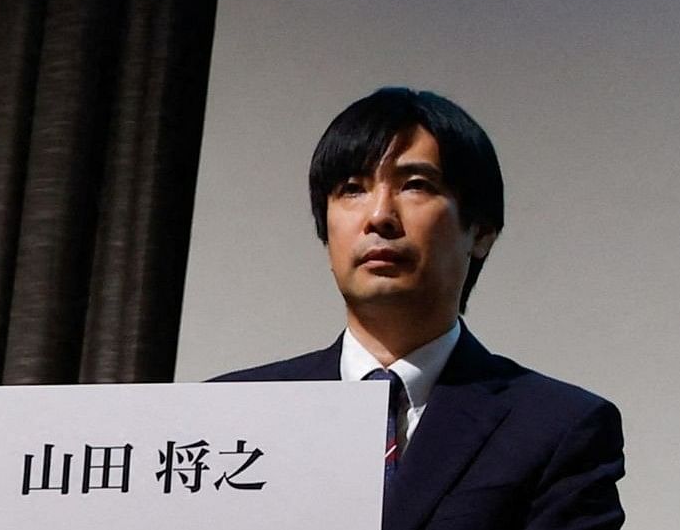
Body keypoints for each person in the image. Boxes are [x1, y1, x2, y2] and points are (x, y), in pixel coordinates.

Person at [217, 88, 624, 530]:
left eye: (415, 185)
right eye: (352, 189)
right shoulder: (230, 411)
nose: (379, 216)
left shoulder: (557, 428)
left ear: (481, 231)